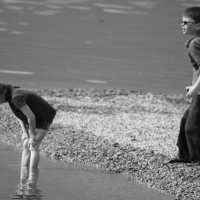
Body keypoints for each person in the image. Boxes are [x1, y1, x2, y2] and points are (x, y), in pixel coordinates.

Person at [0, 82, 56, 191]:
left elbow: (31, 117)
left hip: (44, 117)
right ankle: (23, 178)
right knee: (25, 144)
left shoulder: (16, 97)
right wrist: (25, 133)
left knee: (33, 145)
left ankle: (31, 182)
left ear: (1, 94)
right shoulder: (11, 95)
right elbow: (20, 116)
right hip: (35, 117)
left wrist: (31, 136)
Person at [169, 7, 200, 163]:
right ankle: (184, 154)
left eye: (186, 22)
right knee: (186, 120)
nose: (182, 24)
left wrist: (196, 88)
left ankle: (195, 159)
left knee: (192, 127)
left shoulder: (195, 43)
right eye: (181, 21)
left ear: (198, 25)